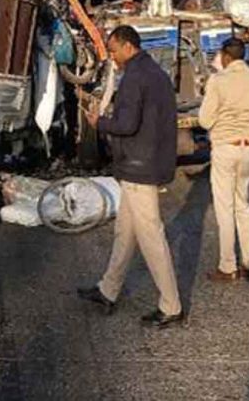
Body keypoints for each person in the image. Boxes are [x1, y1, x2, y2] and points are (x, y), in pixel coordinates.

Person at [77, 25, 183, 328]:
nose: (112, 56)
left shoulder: (135, 77)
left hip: (140, 167)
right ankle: (108, 290)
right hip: (146, 163)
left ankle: (171, 306)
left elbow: (126, 124)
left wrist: (99, 122)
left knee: (151, 235)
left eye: (112, 50)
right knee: (125, 232)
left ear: (127, 46)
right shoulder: (154, 72)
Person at [199, 37, 249, 282]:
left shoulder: (218, 80)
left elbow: (205, 120)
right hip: (246, 148)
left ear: (225, 56)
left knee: (224, 208)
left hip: (225, 148)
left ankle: (228, 266)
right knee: (243, 205)